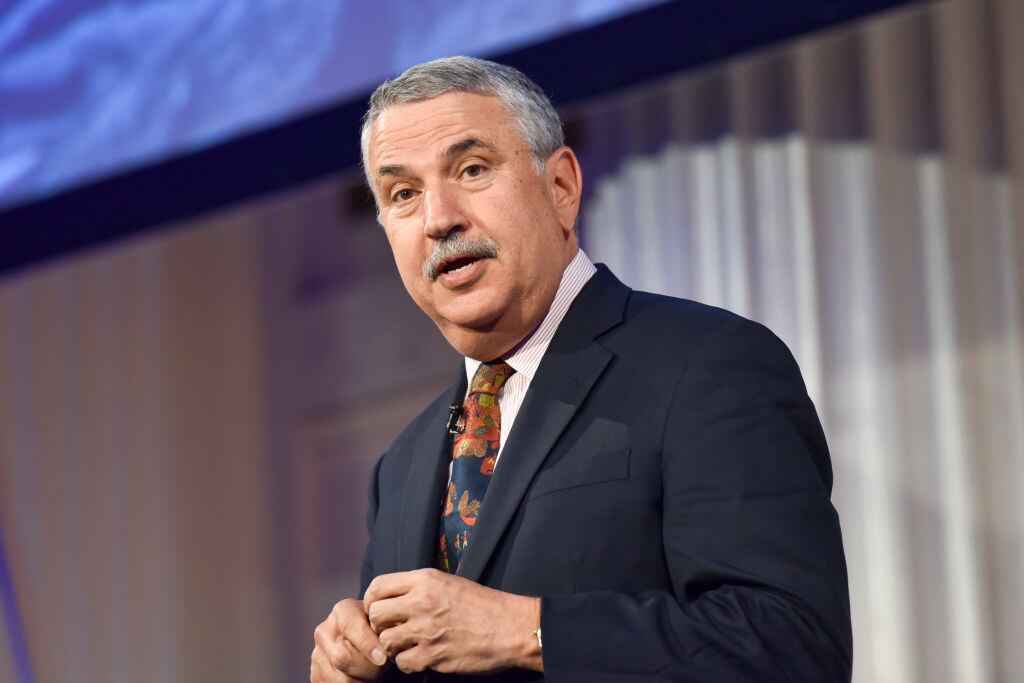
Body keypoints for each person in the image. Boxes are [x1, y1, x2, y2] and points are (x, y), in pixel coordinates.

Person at [310, 56, 852, 683]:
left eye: (472, 169)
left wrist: (527, 631)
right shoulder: (399, 469)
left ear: (560, 186)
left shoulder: (707, 366)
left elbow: (792, 646)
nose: (438, 219)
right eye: (403, 194)